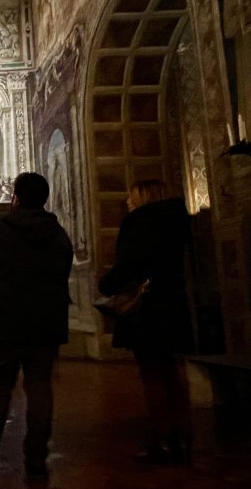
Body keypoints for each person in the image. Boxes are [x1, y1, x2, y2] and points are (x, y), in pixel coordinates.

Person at [0, 172, 73, 480]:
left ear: (15, 197)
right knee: (39, 388)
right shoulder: (58, 232)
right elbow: (63, 269)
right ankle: (36, 456)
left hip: (5, 321)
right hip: (46, 323)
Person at [98, 179, 194, 464]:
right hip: (174, 302)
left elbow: (128, 265)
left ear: (142, 197)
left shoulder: (141, 223)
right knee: (172, 373)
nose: (128, 201)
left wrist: (106, 285)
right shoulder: (177, 222)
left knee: (152, 375)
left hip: (149, 307)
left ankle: (161, 439)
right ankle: (180, 437)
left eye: (131, 196)